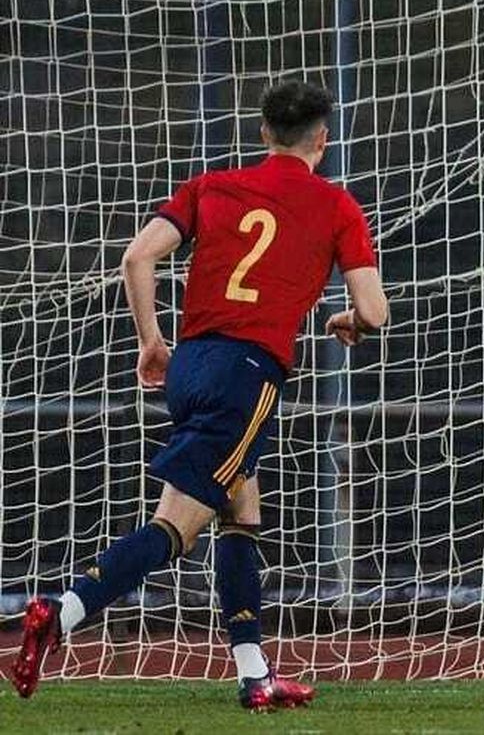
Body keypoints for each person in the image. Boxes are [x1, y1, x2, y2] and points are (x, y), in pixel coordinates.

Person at [8, 81, 389, 711]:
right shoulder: (336, 205)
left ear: (264, 134)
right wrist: (349, 318)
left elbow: (137, 258)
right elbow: (375, 310)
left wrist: (152, 342)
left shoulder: (210, 186)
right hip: (248, 375)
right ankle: (61, 612)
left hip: (190, 365)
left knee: (242, 507)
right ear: (323, 139)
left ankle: (254, 674)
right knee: (175, 528)